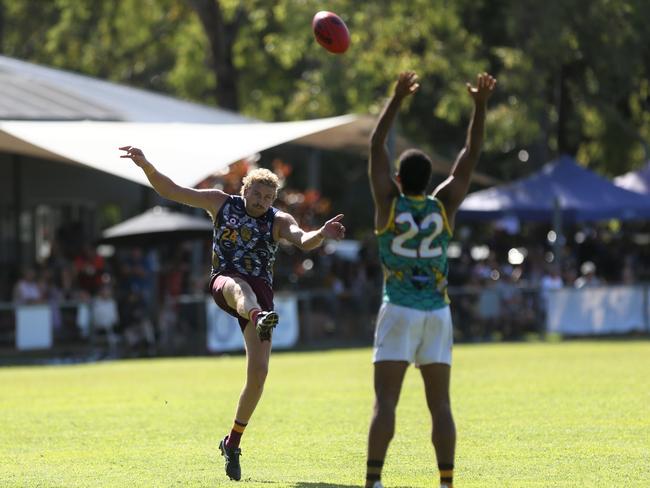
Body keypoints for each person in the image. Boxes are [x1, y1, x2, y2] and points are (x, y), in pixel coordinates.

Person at [119, 145, 345, 481]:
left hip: (261, 291)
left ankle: (232, 441)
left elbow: (302, 240)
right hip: (225, 281)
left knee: (259, 376)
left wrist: (321, 234)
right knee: (240, 288)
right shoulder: (220, 202)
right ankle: (257, 316)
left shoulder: (279, 220)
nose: (261, 202)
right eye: (257, 194)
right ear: (245, 190)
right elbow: (172, 190)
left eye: (268, 197)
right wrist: (147, 165)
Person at [365, 71, 496, 488]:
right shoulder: (444, 206)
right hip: (437, 313)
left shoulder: (388, 204)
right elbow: (470, 155)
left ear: (399, 180)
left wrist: (397, 97)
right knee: (440, 404)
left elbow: (375, 147)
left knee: (386, 401)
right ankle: (446, 482)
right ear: (430, 178)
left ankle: (374, 481)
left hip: (399, 308)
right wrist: (479, 105)